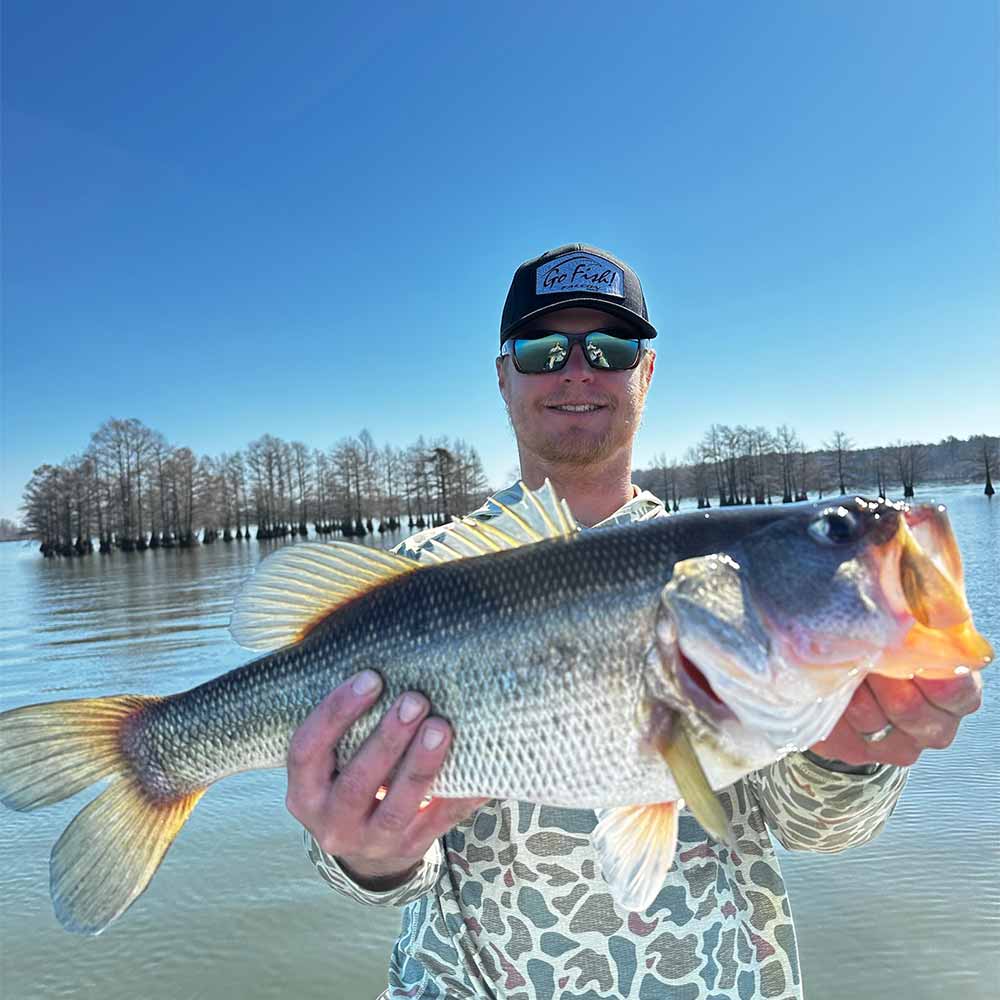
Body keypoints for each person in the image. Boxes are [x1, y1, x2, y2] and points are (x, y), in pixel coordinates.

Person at [285, 245, 983, 999]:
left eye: (610, 348)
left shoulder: (730, 591)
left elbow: (823, 830)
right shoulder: (419, 575)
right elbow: (368, 878)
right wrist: (365, 853)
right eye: (543, 349)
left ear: (645, 373)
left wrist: (852, 750)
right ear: (502, 375)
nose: (577, 370)